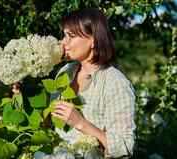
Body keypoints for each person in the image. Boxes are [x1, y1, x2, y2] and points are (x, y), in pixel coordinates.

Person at [50, 8, 136, 158]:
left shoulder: (115, 83)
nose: (63, 43)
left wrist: (80, 123)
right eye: (64, 35)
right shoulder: (66, 72)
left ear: (93, 40)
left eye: (70, 36)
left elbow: (125, 148)